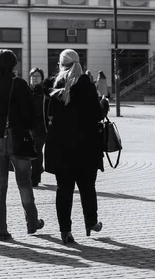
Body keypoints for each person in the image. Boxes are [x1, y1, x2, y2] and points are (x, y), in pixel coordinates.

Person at [0, 49, 44, 241]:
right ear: (13, 66)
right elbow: (31, 113)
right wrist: (25, 128)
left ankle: (0, 230)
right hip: (18, 138)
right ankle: (32, 222)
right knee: (24, 183)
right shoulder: (20, 85)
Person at [43, 49, 109, 245]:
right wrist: (103, 105)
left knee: (64, 189)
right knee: (87, 187)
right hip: (86, 146)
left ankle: (66, 232)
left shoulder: (53, 86)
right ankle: (91, 222)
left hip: (61, 147)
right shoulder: (87, 85)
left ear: (61, 64)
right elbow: (97, 114)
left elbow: (47, 117)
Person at [28, 67, 47, 187]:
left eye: (37, 76)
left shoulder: (44, 92)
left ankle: (35, 178)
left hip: (40, 127)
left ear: (42, 78)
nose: (34, 78)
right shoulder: (26, 91)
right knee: (31, 152)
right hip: (28, 127)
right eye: (32, 76)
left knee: (37, 151)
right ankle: (37, 170)